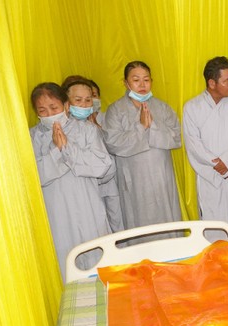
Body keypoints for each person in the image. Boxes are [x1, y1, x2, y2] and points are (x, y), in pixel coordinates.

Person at [29, 82, 112, 280]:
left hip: (87, 206)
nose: (50, 114)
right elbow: (34, 176)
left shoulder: (87, 130)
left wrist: (69, 150)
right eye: (43, 110)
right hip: (56, 212)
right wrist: (57, 152)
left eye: (54, 108)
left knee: (97, 258)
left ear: (66, 106)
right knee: (65, 262)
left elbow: (102, 165)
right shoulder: (33, 136)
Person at [182, 56, 228, 249]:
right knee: (215, 227)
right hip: (211, 178)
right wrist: (217, 165)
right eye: (227, 80)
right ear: (212, 83)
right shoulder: (192, 108)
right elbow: (193, 144)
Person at [103, 61, 182, 232]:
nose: (142, 85)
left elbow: (176, 137)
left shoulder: (162, 107)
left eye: (146, 80)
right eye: (136, 80)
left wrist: (153, 127)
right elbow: (112, 143)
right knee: (139, 222)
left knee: (167, 220)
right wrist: (140, 127)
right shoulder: (115, 110)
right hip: (134, 178)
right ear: (126, 83)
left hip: (161, 176)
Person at [63, 78, 124, 232]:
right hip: (74, 191)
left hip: (102, 184)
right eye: (78, 100)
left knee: (108, 225)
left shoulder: (92, 128)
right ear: (67, 103)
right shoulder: (59, 129)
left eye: (88, 100)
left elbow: (104, 164)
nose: (84, 105)